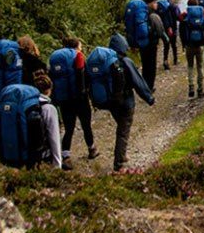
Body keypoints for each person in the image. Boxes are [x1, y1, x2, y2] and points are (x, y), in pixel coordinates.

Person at [101, 33, 155, 171]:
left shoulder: (105, 61)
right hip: (126, 102)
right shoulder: (126, 61)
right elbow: (138, 82)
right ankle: (118, 162)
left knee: (121, 127)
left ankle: (122, 155)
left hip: (111, 102)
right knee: (123, 131)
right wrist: (148, 97)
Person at [49, 36, 98, 165]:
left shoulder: (56, 57)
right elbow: (83, 75)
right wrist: (87, 93)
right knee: (86, 125)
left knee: (69, 128)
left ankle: (65, 155)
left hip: (64, 99)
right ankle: (92, 148)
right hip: (79, 97)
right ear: (76, 46)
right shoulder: (78, 56)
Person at [30, 73, 64, 168]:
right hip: (43, 156)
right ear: (49, 89)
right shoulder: (49, 108)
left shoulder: (28, 105)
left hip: (27, 155)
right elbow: (54, 137)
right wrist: (57, 164)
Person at [182, 0, 204, 99]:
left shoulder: (185, 16)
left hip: (189, 45)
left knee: (190, 66)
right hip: (200, 45)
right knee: (200, 66)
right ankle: (200, 89)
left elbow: (182, 33)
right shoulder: (203, 15)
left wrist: (183, 45)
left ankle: (191, 88)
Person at [144, 0, 170, 91]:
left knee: (145, 65)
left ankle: (144, 85)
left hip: (143, 43)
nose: (156, 5)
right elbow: (160, 31)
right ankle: (150, 87)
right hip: (152, 44)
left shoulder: (143, 14)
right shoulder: (154, 15)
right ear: (150, 3)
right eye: (155, 2)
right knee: (151, 66)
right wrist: (166, 40)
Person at [158, 0, 180, 68]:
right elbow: (178, 17)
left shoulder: (162, 5)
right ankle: (175, 60)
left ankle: (165, 60)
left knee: (166, 45)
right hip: (172, 28)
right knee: (174, 45)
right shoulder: (172, 6)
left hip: (163, 28)